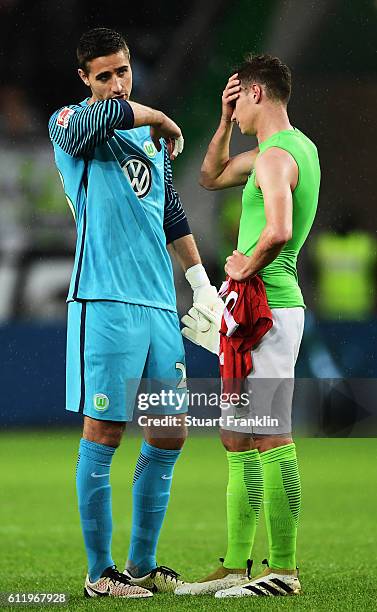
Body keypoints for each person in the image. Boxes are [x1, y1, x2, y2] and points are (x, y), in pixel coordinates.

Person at [48, 27, 223, 599]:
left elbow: (169, 212)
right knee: (104, 429)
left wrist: (200, 285)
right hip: (104, 300)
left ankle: (142, 565)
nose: (117, 83)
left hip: (157, 304)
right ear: (84, 79)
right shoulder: (69, 123)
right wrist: (161, 118)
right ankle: (100, 573)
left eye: (123, 71)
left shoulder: (145, 139)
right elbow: (104, 121)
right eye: (105, 75)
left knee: (169, 433)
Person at [177, 54, 320, 597]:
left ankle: (282, 570)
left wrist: (245, 263)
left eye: (235, 103)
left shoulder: (276, 160)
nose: (233, 113)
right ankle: (237, 565)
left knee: (271, 434)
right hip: (251, 312)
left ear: (256, 93)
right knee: (238, 435)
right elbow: (210, 175)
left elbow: (279, 230)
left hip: (269, 309)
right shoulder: (284, 151)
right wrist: (218, 121)